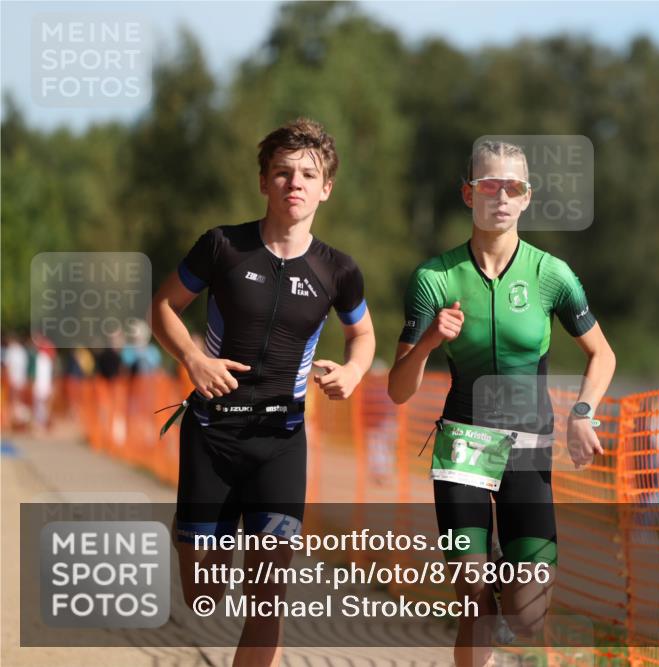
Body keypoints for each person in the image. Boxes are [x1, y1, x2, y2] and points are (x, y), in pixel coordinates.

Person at [151, 118, 375, 667]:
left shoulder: (338, 270)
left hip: (281, 439)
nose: (294, 182)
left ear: (326, 188)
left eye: (307, 174)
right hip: (212, 433)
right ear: (263, 182)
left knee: (268, 598)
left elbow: (362, 334)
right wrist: (193, 359)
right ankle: (192, 531)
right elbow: (162, 309)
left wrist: (352, 371)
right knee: (203, 594)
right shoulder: (222, 246)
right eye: (282, 172)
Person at [388, 140, 615, 667]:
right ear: (469, 193)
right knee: (473, 599)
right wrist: (427, 343)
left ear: (528, 197)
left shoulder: (550, 274)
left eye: (514, 187)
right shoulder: (435, 278)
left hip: (529, 450)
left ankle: (503, 606)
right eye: (490, 185)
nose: (502, 196)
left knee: (527, 615)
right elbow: (400, 390)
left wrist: (583, 413)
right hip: (464, 446)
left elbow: (602, 354)